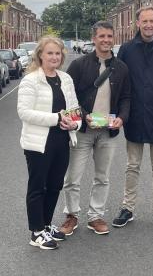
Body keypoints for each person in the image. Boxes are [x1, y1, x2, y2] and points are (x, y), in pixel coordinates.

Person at [59, 22, 131, 236]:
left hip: (108, 131)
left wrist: (122, 118)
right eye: (102, 36)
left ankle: (95, 216)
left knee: (102, 177)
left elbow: (126, 97)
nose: (106, 40)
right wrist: (83, 115)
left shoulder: (121, 68)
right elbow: (68, 96)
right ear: (94, 38)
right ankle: (71, 215)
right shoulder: (79, 65)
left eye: (109, 36)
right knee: (73, 177)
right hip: (82, 130)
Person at [112, 6, 153, 229]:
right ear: (138, 23)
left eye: (152, 21)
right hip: (134, 116)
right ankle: (127, 208)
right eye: (144, 21)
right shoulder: (127, 50)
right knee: (132, 165)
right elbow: (119, 81)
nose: (149, 25)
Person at [17, 37, 80, 250]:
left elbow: (74, 109)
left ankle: (45, 225)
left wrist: (74, 124)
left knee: (55, 185)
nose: (54, 57)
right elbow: (24, 112)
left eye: (58, 53)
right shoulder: (31, 80)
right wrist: (56, 118)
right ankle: (36, 232)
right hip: (38, 143)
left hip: (62, 140)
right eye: (50, 53)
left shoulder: (65, 78)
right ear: (40, 55)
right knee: (38, 187)